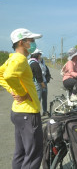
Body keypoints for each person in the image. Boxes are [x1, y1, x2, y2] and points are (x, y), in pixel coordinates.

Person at [0, 28, 43, 168]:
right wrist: (20, 93)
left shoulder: (12, 58)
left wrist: (12, 90)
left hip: (19, 112)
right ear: (21, 42)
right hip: (28, 113)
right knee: (33, 155)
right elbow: (8, 76)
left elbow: (1, 75)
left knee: (21, 152)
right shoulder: (20, 58)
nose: (34, 43)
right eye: (31, 40)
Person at [28, 49, 51, 116]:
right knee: (38, 99)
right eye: (40, 54)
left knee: (44, 98)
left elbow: (45, 70)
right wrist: (42, 84)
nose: (40, 56)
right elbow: (38, 75)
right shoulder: (34, 63)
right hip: (38, 83)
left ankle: (44, 111)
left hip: (42, 81)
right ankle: (36, 115)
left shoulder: (40, 61)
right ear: (37, 55)